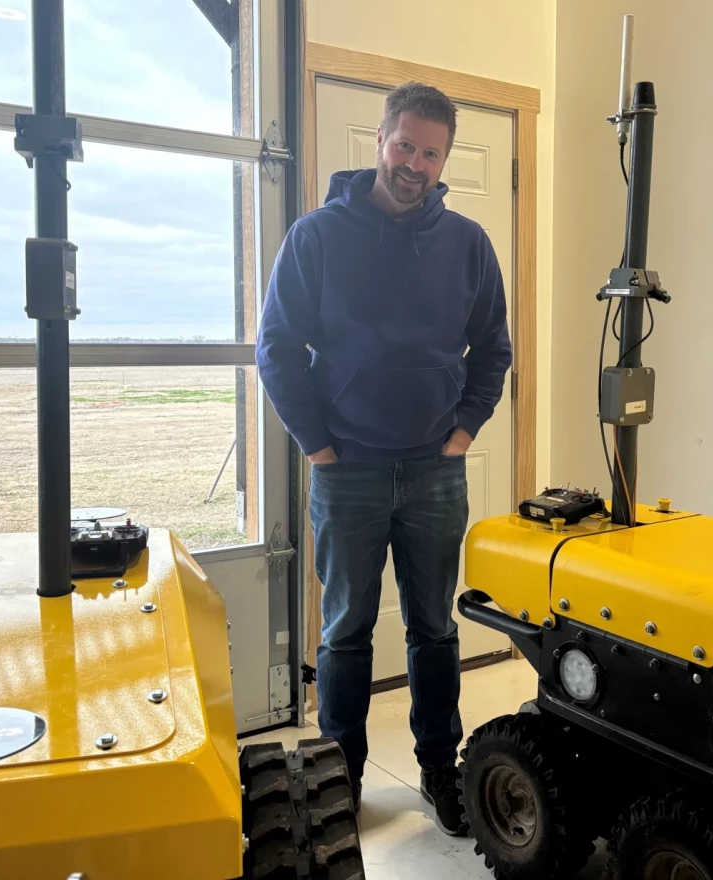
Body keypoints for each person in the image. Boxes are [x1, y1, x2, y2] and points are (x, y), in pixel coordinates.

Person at [255, 81, 512, 836]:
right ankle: (341, 781)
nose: (415, 164)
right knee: (344, 635)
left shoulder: (467, 243)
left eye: (431, 153)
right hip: (348, 474)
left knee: (435, 630)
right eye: (405, 145)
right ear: (379, 139)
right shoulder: (317, 236)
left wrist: (462, 434)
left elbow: (492, 349)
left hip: (436, 471)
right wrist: (320, 447)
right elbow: (277, 348)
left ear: (443, 159)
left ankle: (440, 769)